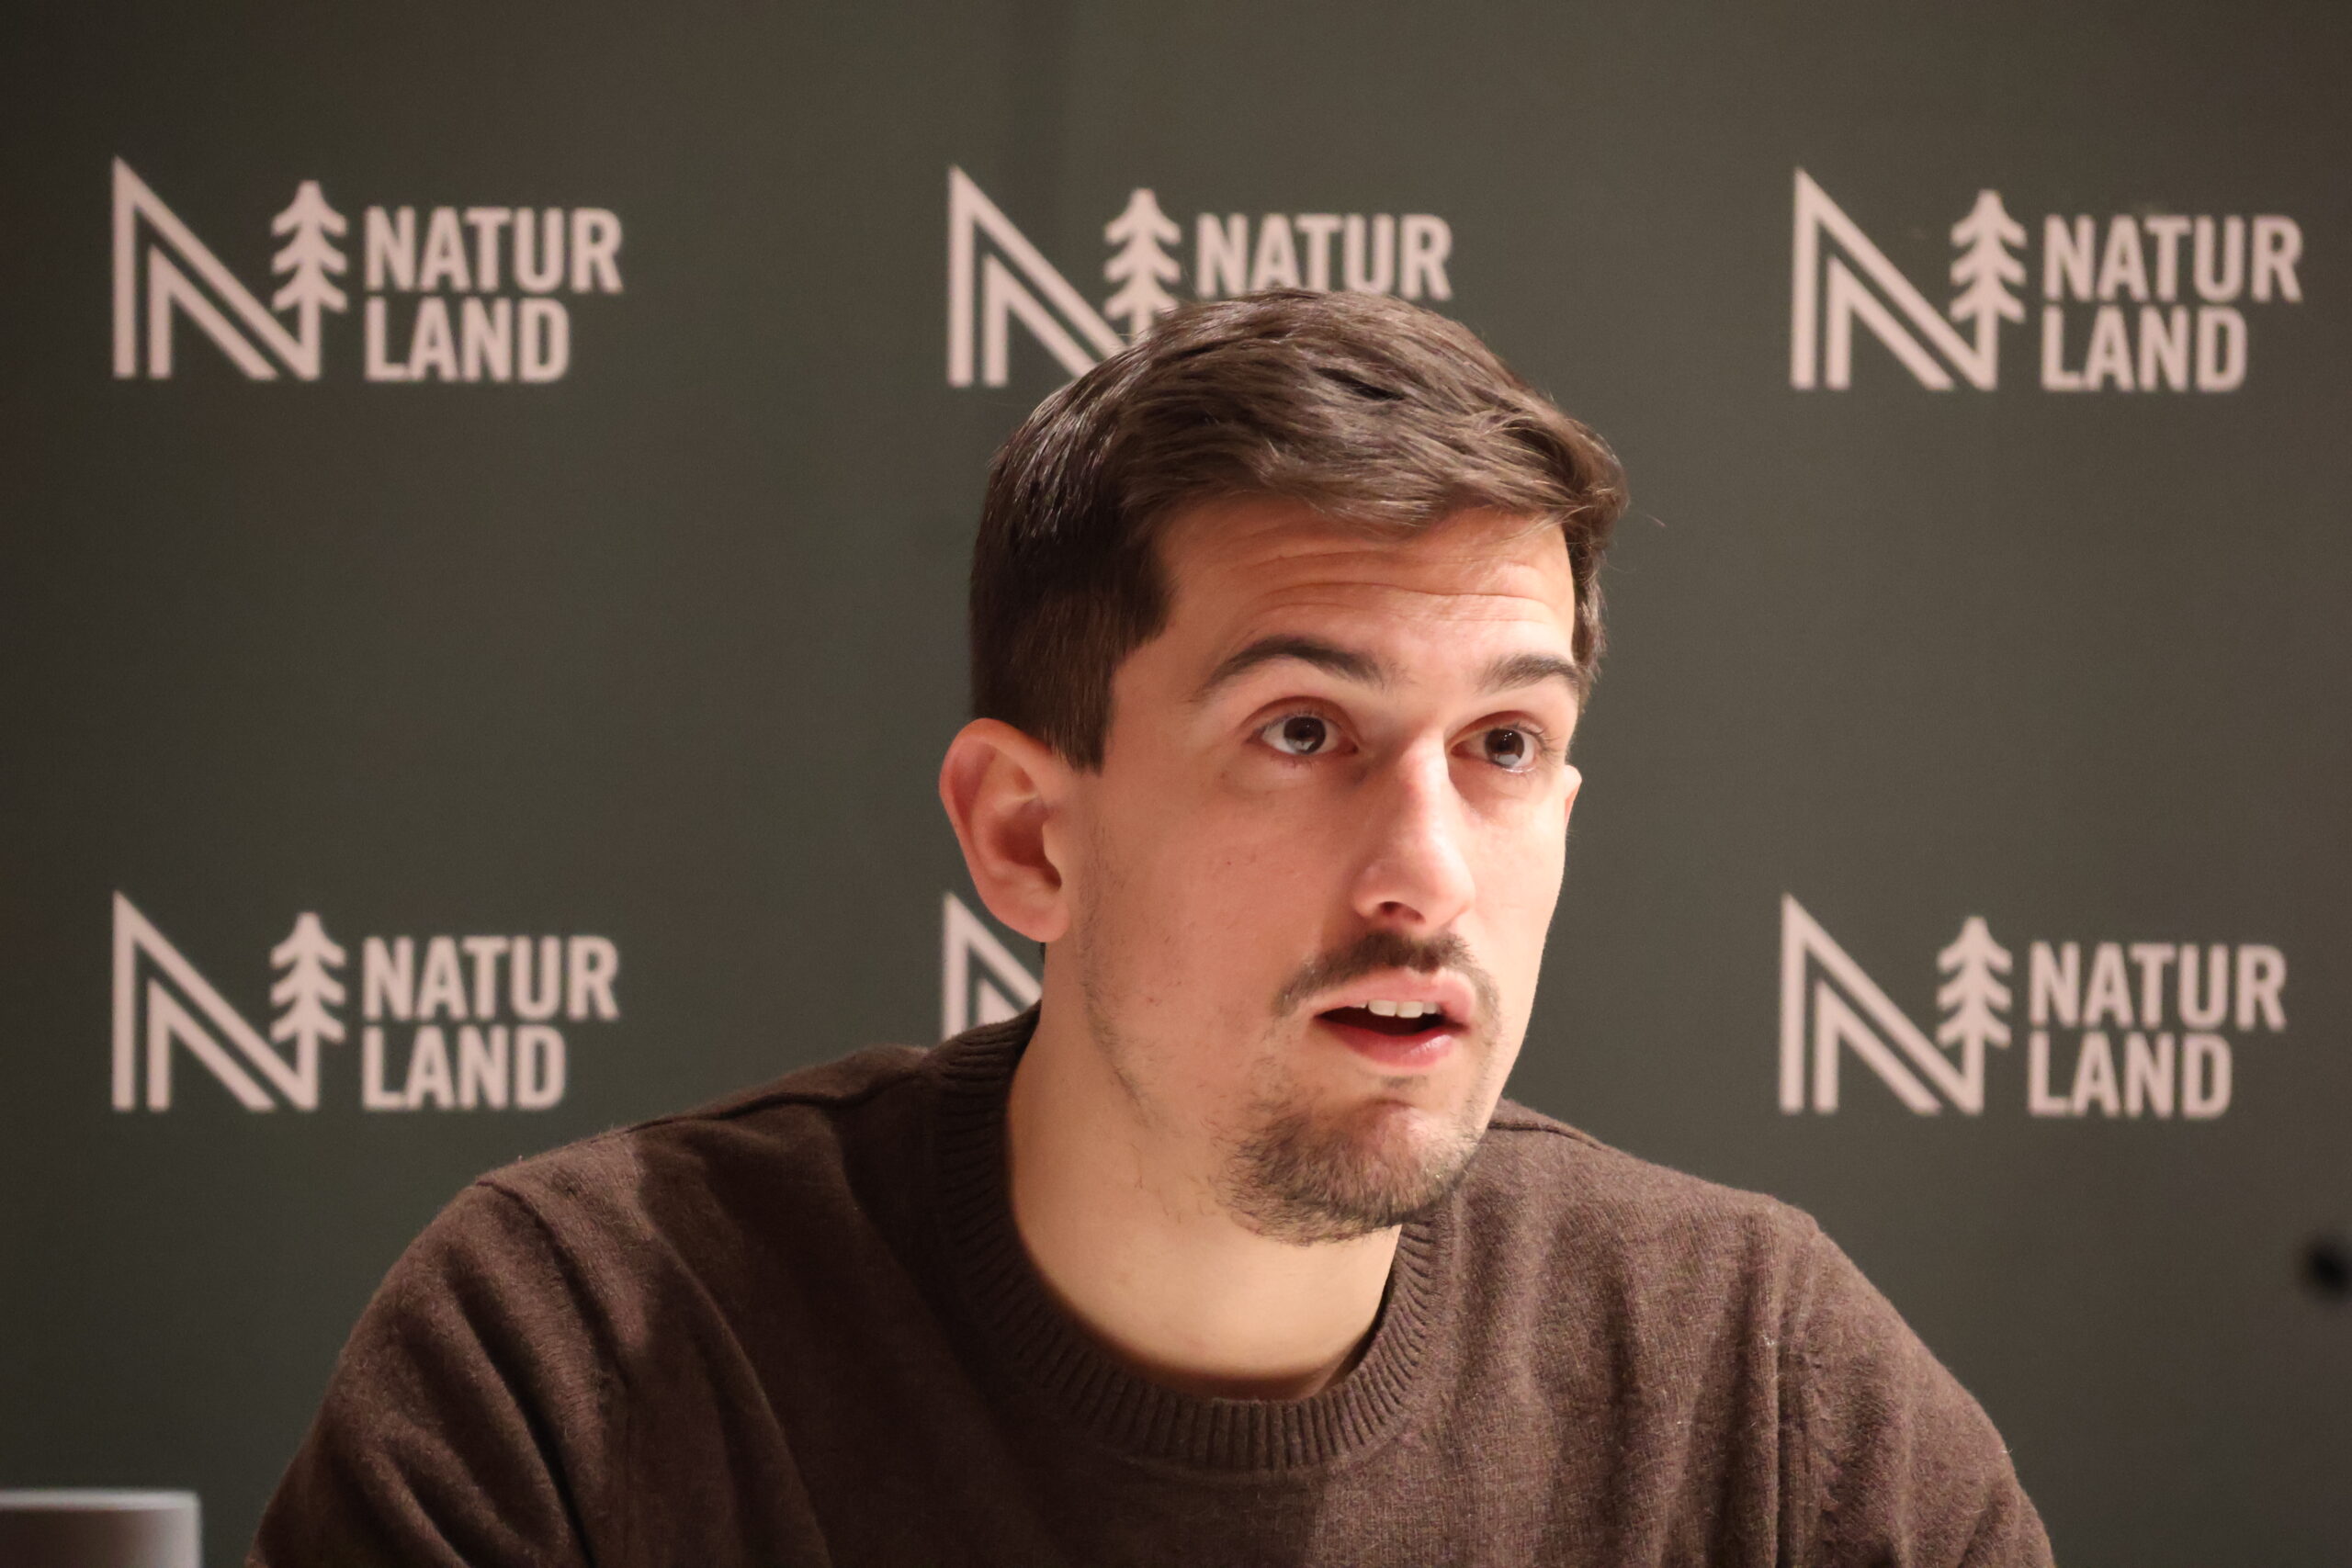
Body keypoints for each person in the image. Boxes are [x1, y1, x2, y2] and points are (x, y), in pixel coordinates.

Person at [251, 290, 2052, 1565]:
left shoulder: (1764, 1394)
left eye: (1503, 745)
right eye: (1301, 732)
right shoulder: (577, 1354)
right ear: (1026, 834)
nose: (1425, 875)